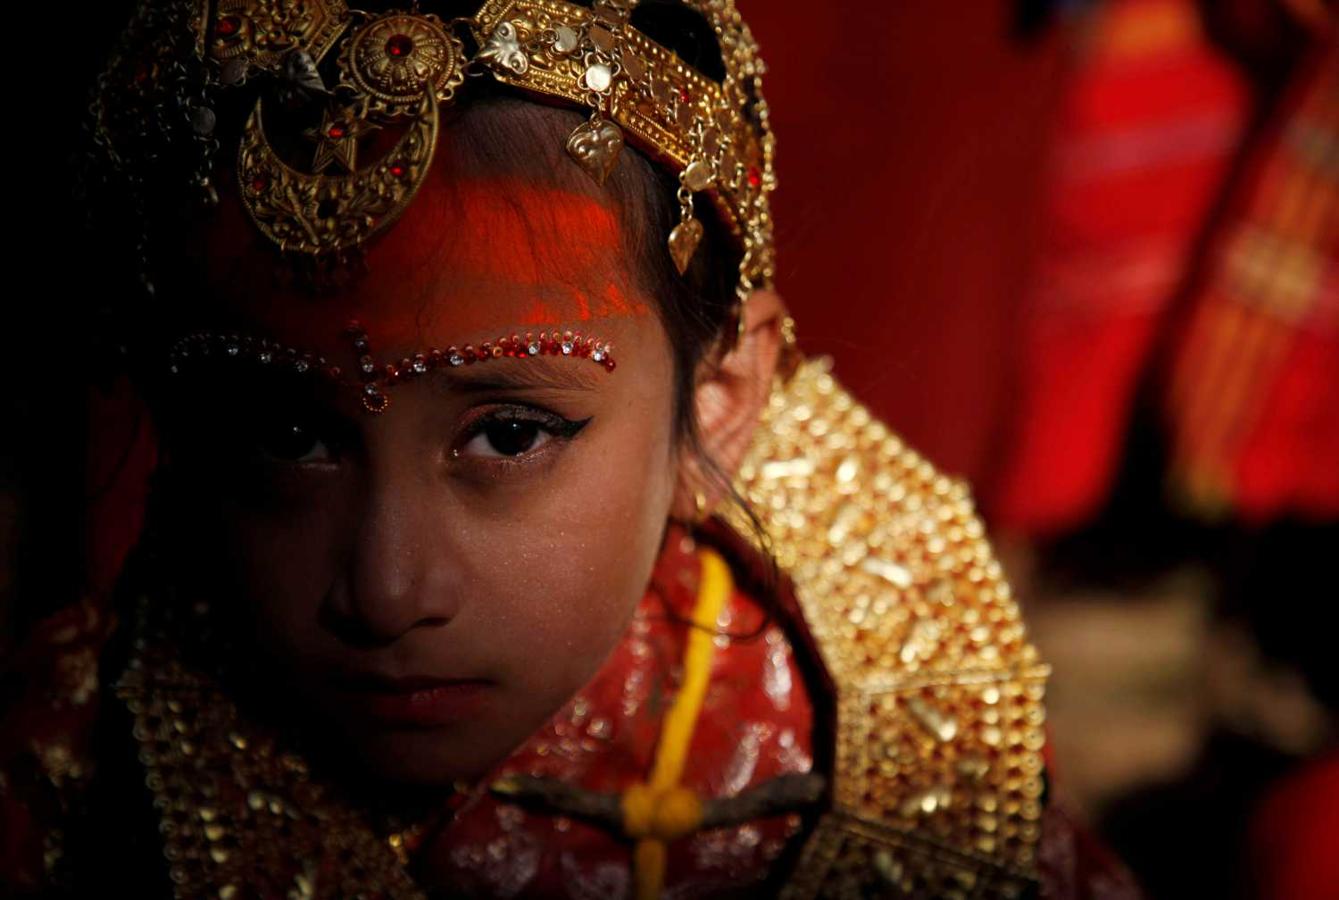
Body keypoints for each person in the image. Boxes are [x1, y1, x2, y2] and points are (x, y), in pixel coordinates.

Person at [1, 0, 1138, 896]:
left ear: (724, 392)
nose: (387, 589)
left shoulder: (844, 748)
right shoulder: (62, 777)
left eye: (508, 433)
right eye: (289, 434)